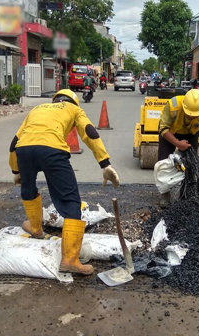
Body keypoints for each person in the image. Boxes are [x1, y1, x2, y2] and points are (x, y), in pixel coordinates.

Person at [9, 89, 120, 274]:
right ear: (74, 101)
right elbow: (89, 132)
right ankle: (69, 260)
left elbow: (15, 141)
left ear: (54, 100)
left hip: (24, 151)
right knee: (70, 201)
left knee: (28, 187)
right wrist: (105, 163)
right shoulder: (74, 109)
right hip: (52, 152)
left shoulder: (37, 109)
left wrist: (16, 169)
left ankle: (36, 228)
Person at [157, 89, 199, 207]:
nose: (190, 116)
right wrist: (178, 144)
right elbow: (163, 128)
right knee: (163, 163)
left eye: (194, 115)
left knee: (190, 164)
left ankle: (186, 194)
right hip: (170, 132)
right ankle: (165, 193)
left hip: (191, 133)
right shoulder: (173, 105)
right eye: (188, 113)